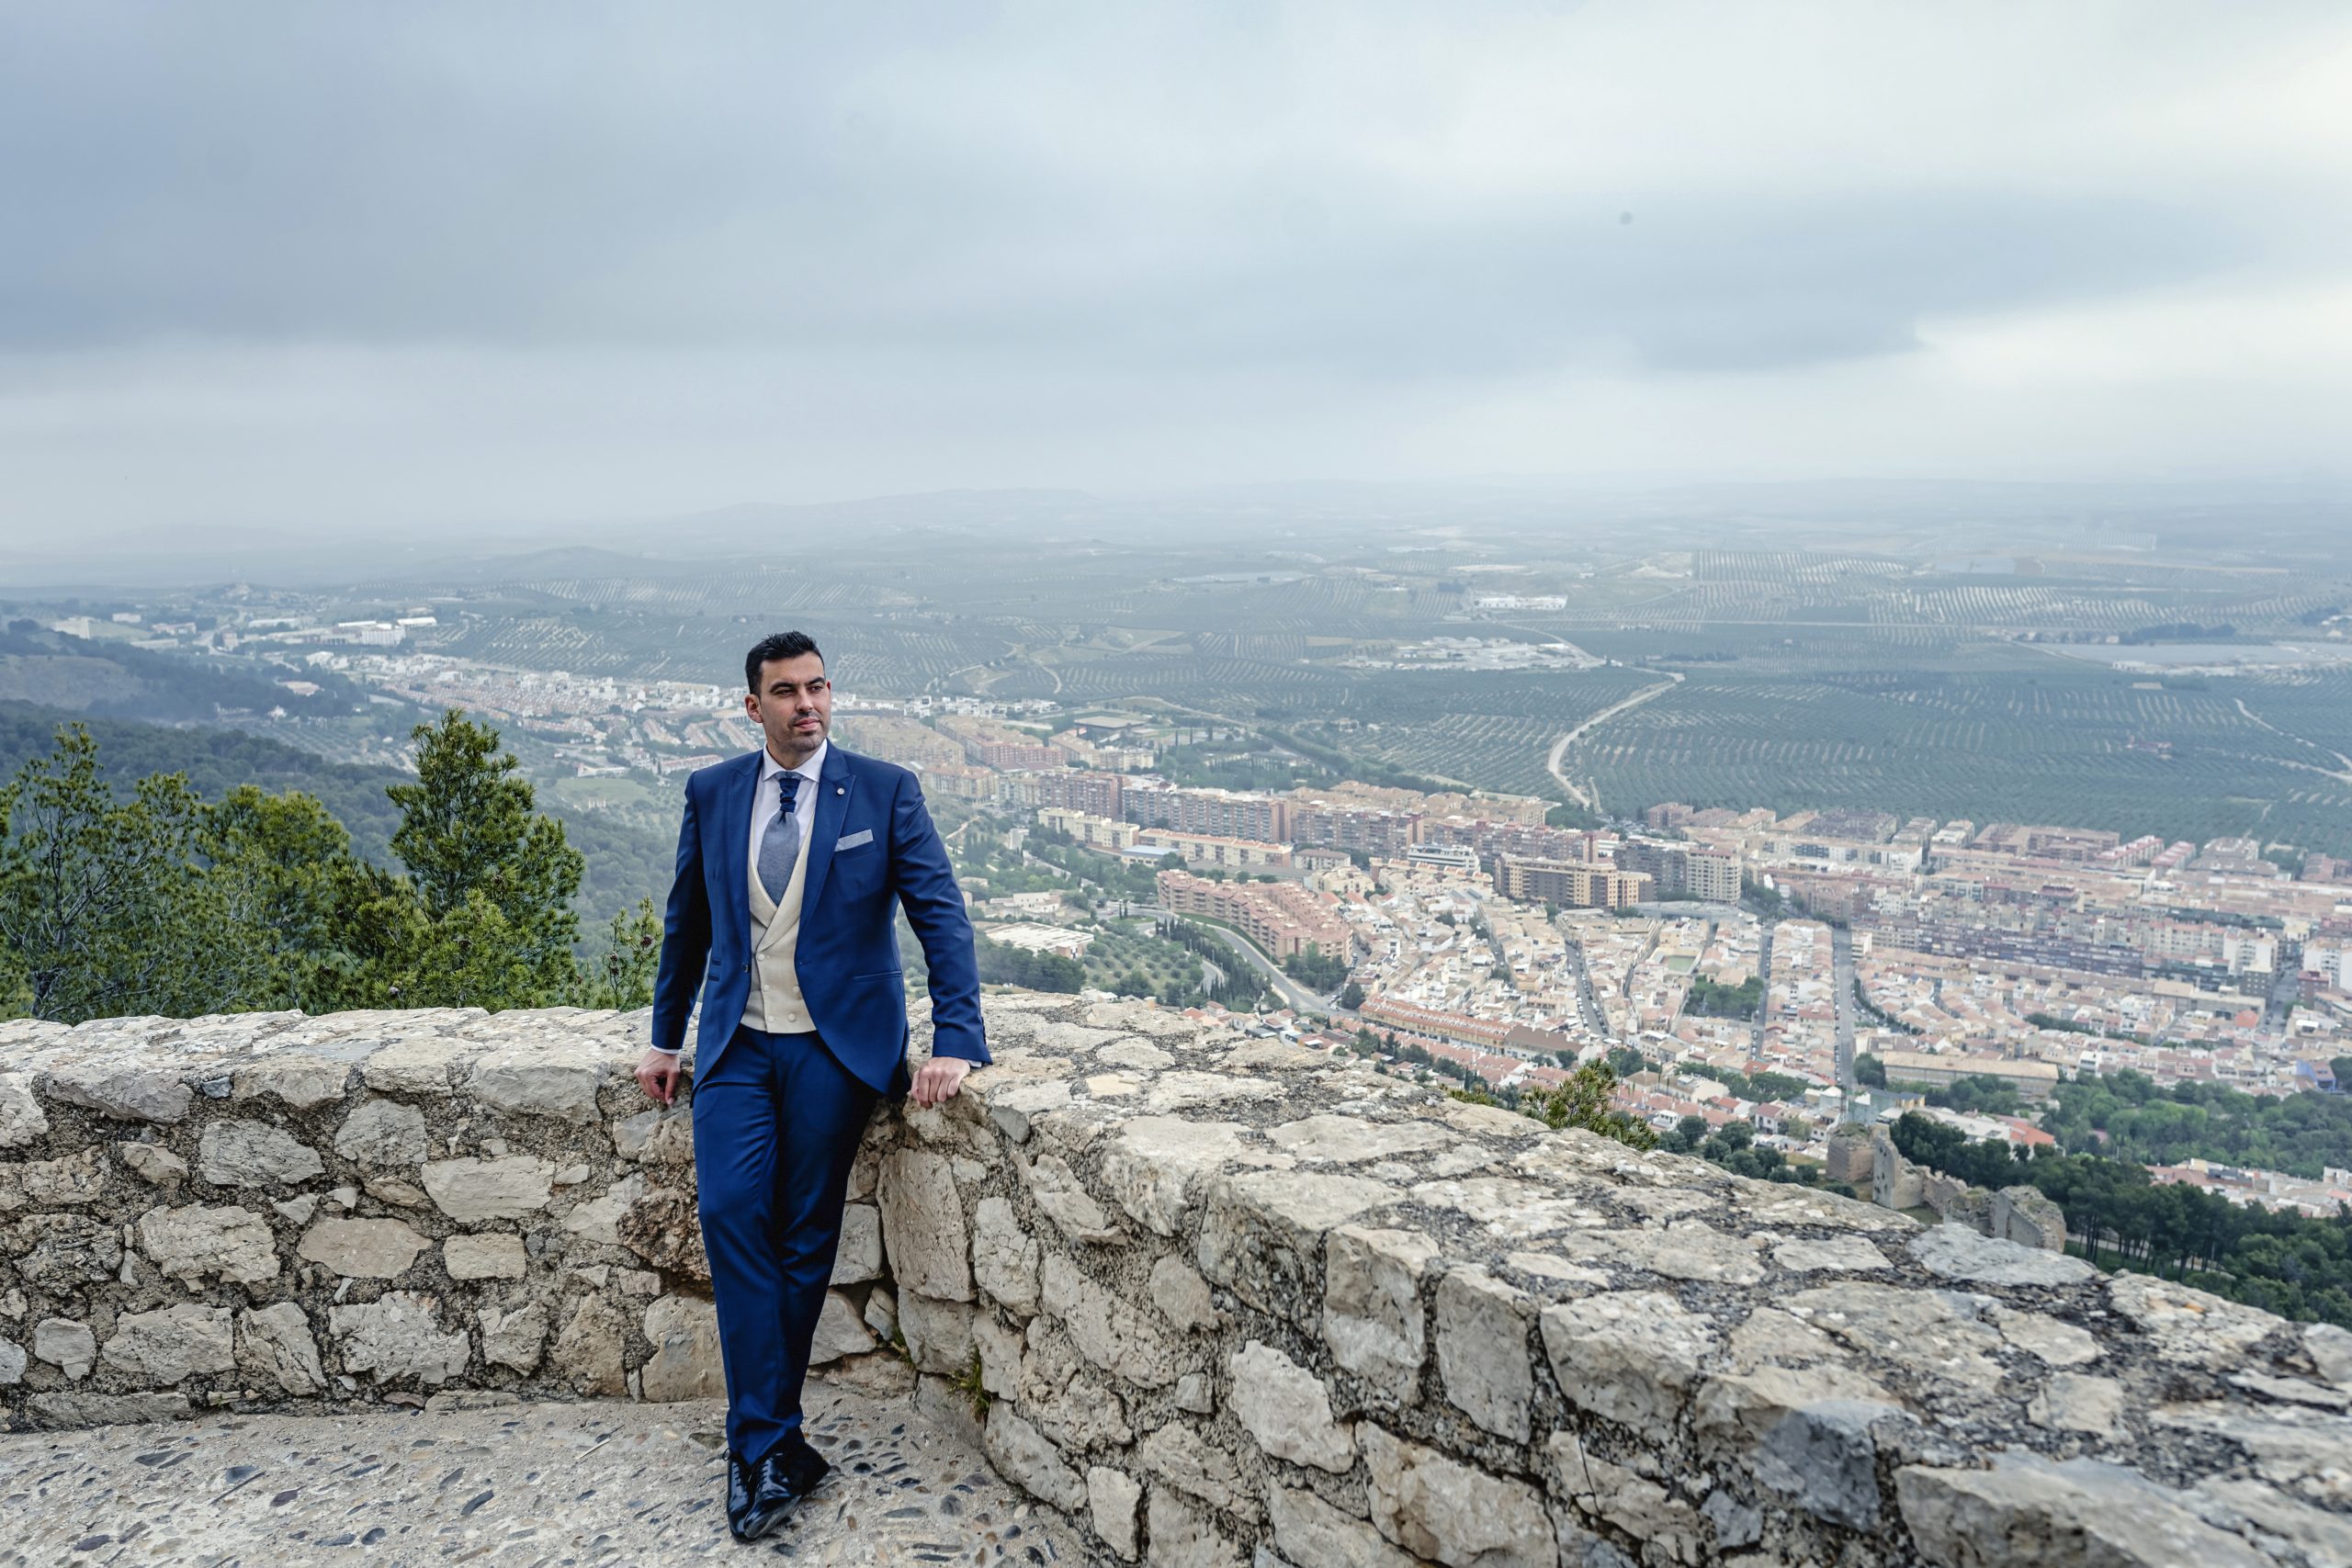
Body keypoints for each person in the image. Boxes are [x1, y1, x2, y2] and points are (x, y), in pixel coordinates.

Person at [636, 629, 989, 1542]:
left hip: (837, 1049)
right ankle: (767, 1439)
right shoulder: (713, 792)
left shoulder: (882, 789)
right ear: (753, 707)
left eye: (818, 688)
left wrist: (956, 1036)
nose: (807, 706)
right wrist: (663, 1038)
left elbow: (937, 910)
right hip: (737, 1046)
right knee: (728, 1214)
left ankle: (761, 1444)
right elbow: (688, 920)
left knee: (803, 1236)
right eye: (786, 692)